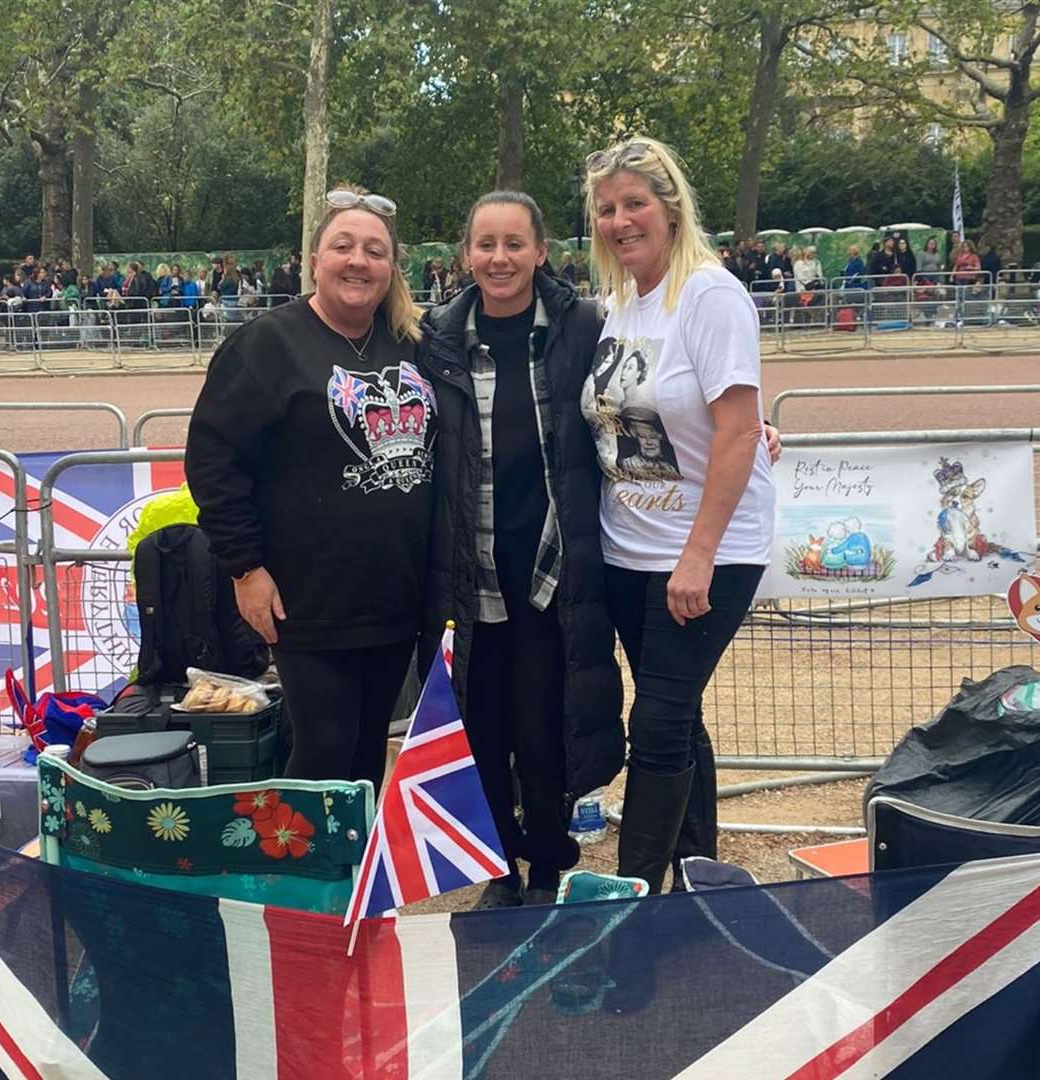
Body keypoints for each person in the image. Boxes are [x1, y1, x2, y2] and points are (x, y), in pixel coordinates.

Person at [580, 136, 776, 897]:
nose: (621, 220)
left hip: (706, 556)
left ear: (670, 208)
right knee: (677, 711)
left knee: (657, 725)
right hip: (629, 548)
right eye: (607, 209)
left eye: (634, 204)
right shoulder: (618, 305)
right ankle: (699, 870)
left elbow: (735, 427)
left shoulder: (710, 293)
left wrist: (699, 554)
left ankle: (635, 904)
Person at [417, 191, 625, 909]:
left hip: (553, 572)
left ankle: (547, 866)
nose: (498, 259)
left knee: (544, 731)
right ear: (465, 254)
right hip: (471, 573)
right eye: (485, 244)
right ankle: (497, 869)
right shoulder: (435, 338)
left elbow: (651, 401)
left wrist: (756, 433)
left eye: (514, 244)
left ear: (541, 250)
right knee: (481, 730)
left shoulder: (586, 328)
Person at [187, 187, 429, 793]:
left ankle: (351, 882)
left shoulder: (411, 341)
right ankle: (301, 884)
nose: (358, 261)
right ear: (314, 259)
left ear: (391, 268)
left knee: (370, 747)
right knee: (323, 747)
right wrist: (245, 569)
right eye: (342, 246)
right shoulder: (267, 344)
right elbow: (214, 461)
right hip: (307, 597)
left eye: (375, 251)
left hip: (396, 595)